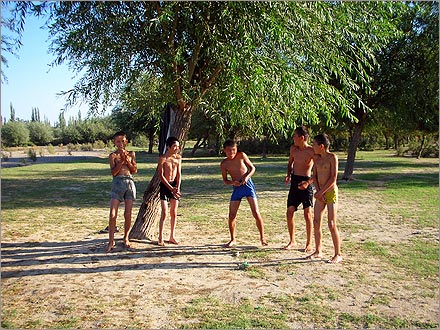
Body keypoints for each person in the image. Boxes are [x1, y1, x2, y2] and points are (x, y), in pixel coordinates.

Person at [220, 140, 268, 247]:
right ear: (224, 151)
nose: (231, 153)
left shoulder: (241, 156)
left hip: (248, 186)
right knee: (232, 215)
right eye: (229, 151)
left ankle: (262, 237)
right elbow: (225, 180)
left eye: (233, 150)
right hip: (237, 188)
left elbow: (253, 168)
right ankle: (233, 239)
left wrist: (247, 177)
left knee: (255, 212)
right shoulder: (224, 164)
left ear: (236, 149)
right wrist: (233, 182)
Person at [307, 133, 342, 263]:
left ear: (321, 146)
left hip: (330, 193)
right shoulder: (316, 159)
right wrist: (317, 191)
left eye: (314, 144)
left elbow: (333, 178)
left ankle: (337, 254)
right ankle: (318, 251)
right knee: (316, 222)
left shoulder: (333, 158)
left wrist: (322, 192)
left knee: (331, 224)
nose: (313, 147)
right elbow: (314, 176)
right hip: (320, 193)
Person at [284, 126, 315, 252]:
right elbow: (290, 163)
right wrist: (288, 175)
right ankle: (292, 240)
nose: (293, 138)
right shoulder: (293, 149)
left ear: (302, 138)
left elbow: (317, 170)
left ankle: (309, 243)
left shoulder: (312, 151)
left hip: (306, 181)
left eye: (295, 136)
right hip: (295, 181)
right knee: (289, 211)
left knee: (307, 214)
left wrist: (308, 183)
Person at [106, 131, 137, 253]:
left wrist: (127, 160)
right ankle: (111, 240)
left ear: (126, 141)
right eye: (118, 141)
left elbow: (134, 170)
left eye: (123, 141)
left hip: (129, 182)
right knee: (113, 214)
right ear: (114, 143)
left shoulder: (131, 154)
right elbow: (113, 172)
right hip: (117, 183)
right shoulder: (112, 156)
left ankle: (126, 237)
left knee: (128, 213)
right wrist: (121, 161)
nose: (121, 143)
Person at [158, 136, 182, 246]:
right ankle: (160, 237)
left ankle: (172, 236)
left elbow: (179, 174)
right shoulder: (163, 158)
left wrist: (177, 187)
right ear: (168, 147)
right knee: (165, 212)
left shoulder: (178, 158)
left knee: (174, 212)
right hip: (165, 186)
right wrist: (170, 187)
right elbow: (161, 175)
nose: (177, 148)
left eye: (177, 146)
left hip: (174, 186)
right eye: (174, 146)